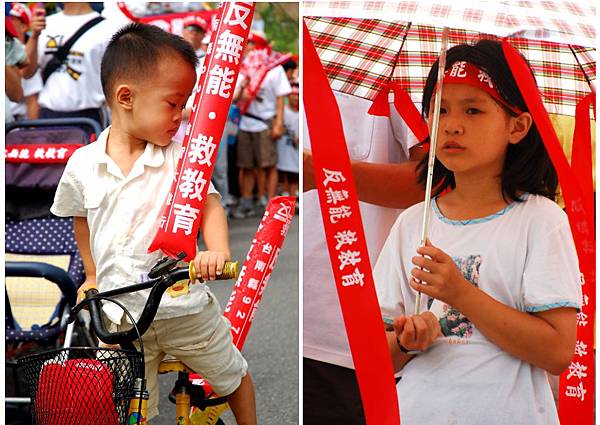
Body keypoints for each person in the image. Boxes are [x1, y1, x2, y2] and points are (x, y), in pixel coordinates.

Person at [50, 23, 257, 424]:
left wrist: (217, 251)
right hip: (119, 314)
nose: (181, 116)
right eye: (173, 104)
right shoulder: (83, 164)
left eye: (184, 105)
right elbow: (82, 220)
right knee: (126, 403)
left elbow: (209, 205)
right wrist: (91, 275)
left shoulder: (180, 158)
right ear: (126, 97)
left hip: (184, 307)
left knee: (231, 375)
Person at [374, 40, 581, 424]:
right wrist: (406, 339)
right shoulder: (411, 224)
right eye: (440, 109)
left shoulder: (541, 220)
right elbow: (375, 355)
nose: (452, 124)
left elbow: (557, 351)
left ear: (517, 126)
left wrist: (459, 293)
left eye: (473, 110)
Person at [302, 86, 424, 424]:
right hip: (308, 314)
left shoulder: (397, 71)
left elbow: (431, 179)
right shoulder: (320, 57)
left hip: (355, 327)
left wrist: (328, 171)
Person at [233, 31, 292, 218]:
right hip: (245, 122)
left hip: (266, 122)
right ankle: (247, 201)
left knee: (269, 165)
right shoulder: (242, 69)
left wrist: (279, 123)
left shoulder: (273, 69)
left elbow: (281, 98)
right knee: (246, 165)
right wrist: (243, 87)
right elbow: (235, 98)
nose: (247, 47)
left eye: (250, 43)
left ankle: (270, 201)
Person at [36, 2, 113, 127]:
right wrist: (34, 36)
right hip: (48, 116)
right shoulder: (45, 24)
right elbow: (27, 73)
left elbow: (114, 81)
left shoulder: (108, 28)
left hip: (90, 117)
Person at [9, 2, 46, 120]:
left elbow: (32, 99)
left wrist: (32, 133)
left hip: (15, 127)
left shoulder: (27, 53)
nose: (7, 22)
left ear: (24, 26)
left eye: (12, 19)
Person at [276, 81, 299, 198]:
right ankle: (284, 197)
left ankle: (293, 197)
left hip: (296, 152)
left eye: (298, 95)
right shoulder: (282, 110)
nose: (296, 98)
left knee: (295, 176)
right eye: (294, 95)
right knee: (282, 174)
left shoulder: (302, 114)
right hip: (282, 149)